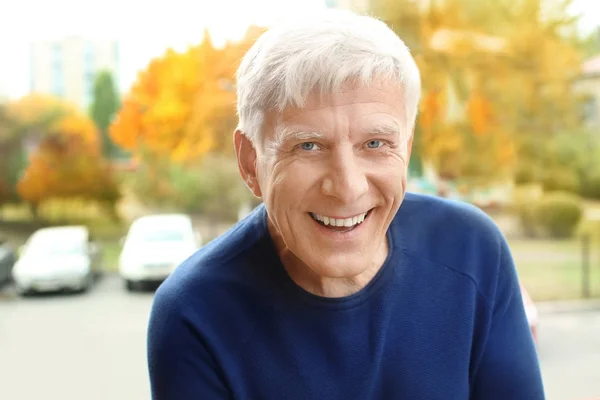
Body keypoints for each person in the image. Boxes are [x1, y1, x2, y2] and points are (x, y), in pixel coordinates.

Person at [147, 9, 545, 400]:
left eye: (375, 144)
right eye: (308, 146)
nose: (348, 188)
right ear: (250, 162)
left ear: (405, 150)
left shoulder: (473, 251)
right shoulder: (194, 315)